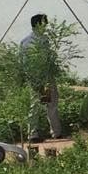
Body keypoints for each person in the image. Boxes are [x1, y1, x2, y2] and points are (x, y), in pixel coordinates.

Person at [20, 13, 63, 141]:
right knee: (51, 103)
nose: (46, 26)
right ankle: (56, 132)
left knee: (36, 104)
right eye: (45, 23)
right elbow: (48, 59)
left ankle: (32, 134)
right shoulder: (43, 40)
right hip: (45, 77)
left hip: (33, 77)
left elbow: (22, 62)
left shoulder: (24, 41)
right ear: (39, 24)